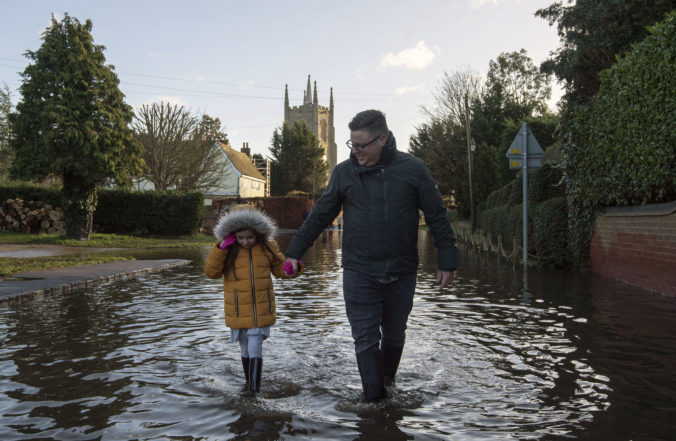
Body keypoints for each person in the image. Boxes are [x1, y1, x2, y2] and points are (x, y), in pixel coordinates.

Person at [284, 109, 458, 402]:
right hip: (359, 270)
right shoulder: (344, 172)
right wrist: (294, 252)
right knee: (365, 338)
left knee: (394, 335)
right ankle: (375, 403)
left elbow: (437, 216)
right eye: (353, 144)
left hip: (402, 271)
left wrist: (447, 260)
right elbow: (320, 215)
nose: (357, 151)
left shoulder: (413, 169)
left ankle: (387, 382)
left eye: (362, 145)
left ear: (383, 139)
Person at [205, 204, 303, 397]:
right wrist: (221, 249)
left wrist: (292, 269)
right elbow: (211, 273)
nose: (246, 242)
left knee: (255, 344)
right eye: (241, 238)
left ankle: (253, 389)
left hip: (260, 306)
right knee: (245, 347)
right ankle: (248, 382)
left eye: (250, 237)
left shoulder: (268, 246)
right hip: (238, 308)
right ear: (233, 235)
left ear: (257, 233)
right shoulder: (227, 250)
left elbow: (279, 270)